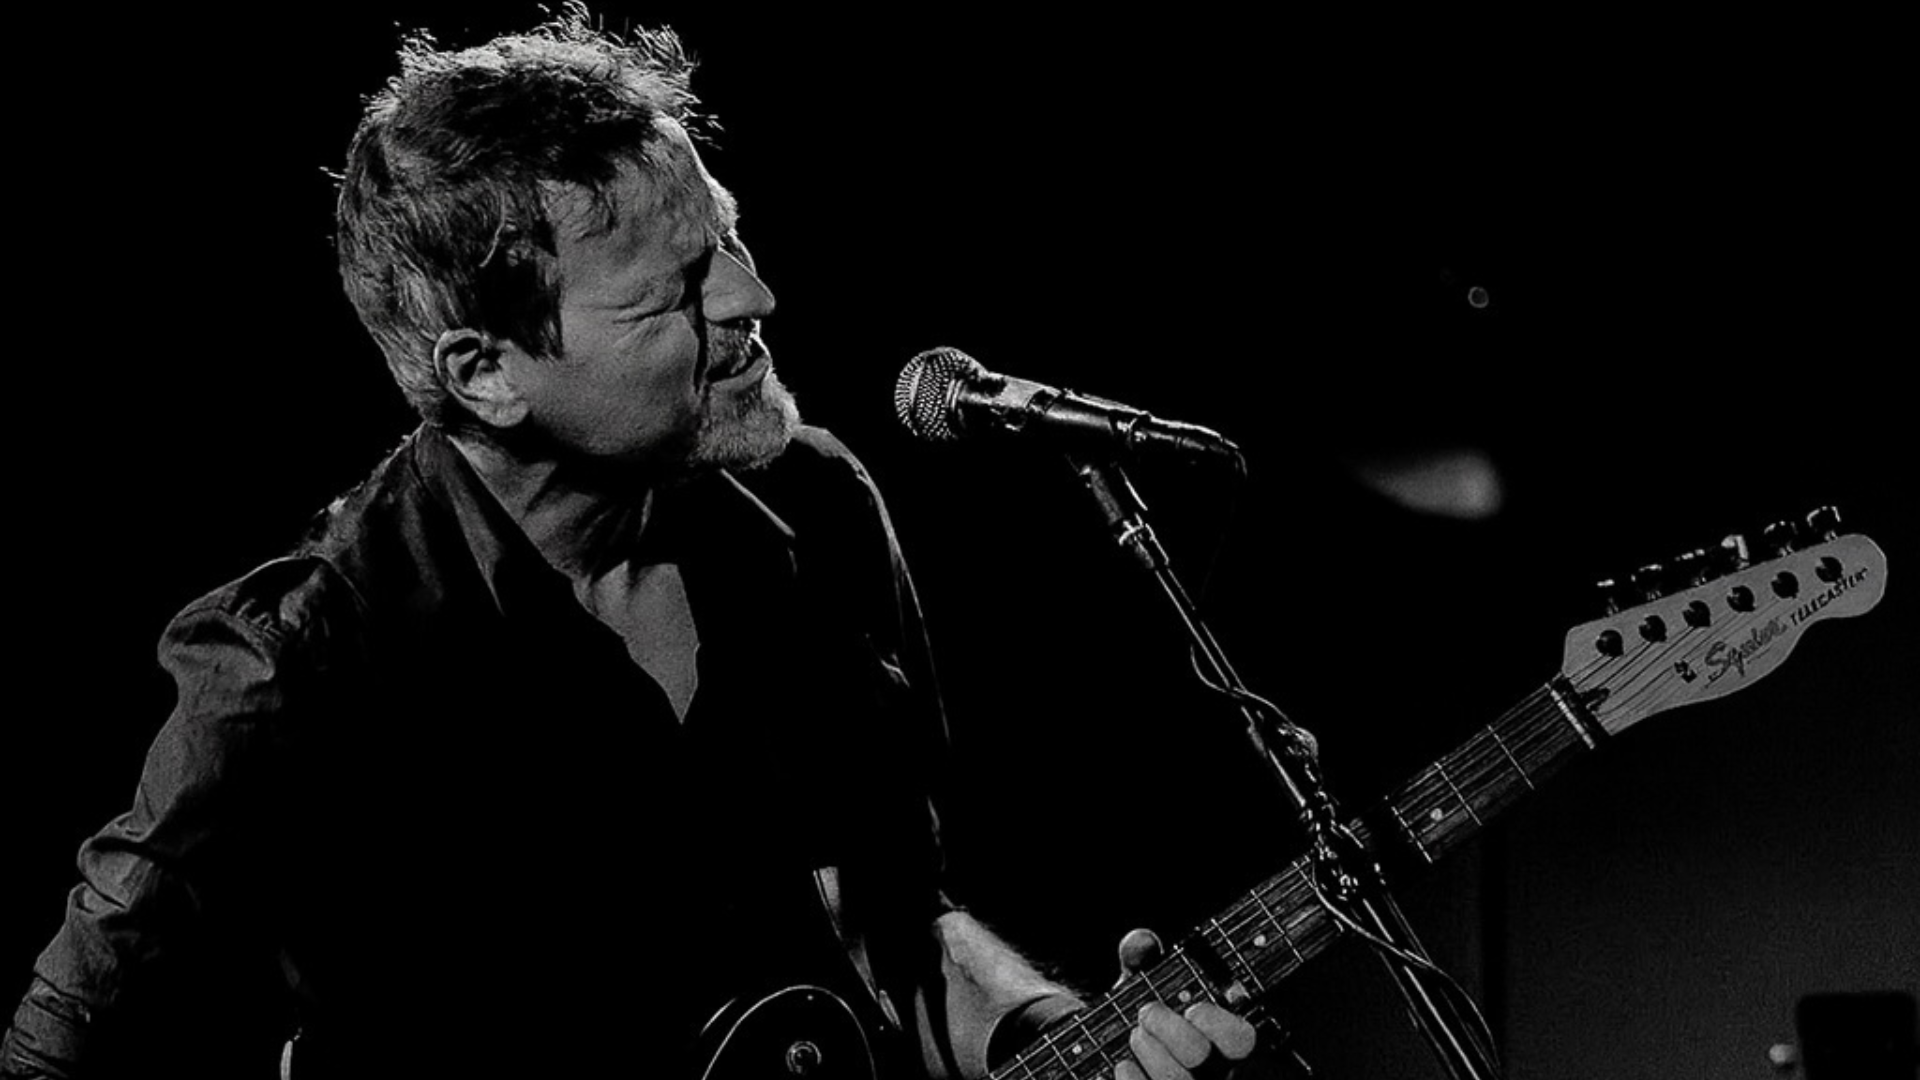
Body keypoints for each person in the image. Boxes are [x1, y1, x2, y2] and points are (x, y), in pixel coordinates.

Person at [3, 12, 1264, 1079]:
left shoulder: (811, 513)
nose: (754, 303)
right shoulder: (299, 660)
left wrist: (1057, 1036)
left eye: (730, 243)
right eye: (673, 292)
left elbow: (890, 921)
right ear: (487, 372)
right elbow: (63, 1049)